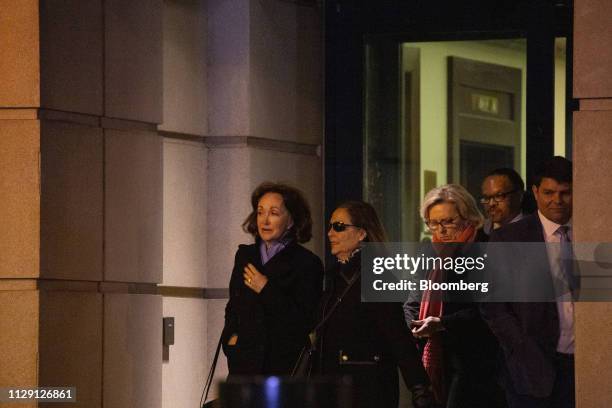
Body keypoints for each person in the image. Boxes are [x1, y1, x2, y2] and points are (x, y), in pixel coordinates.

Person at [314, 200, 432, 408]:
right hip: (335, 388)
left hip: (366, 389)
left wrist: (419, 387)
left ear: (361, 234)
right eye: (331, 226)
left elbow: (398, 337)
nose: (330, 233)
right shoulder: (335, 278)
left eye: (339, 227)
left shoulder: (376, 276)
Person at [482, 157, 576, 408]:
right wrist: (521, 346)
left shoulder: (595, 232)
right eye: (548, 192)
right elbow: (493, 305)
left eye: (565, 193)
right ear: (535, 192)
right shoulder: (509, 239)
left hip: (587, 362)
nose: (557, 200)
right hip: (530, 367)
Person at [407, 184, 505, 407]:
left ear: (468, 217)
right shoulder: (429, 252)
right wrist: (414, 324)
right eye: (433, 223)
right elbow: (413, 299)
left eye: (448, 221)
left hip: (476, 362)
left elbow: (488, 309)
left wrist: (442, 323)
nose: (441, 230)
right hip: (436, 355)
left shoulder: (486, 248)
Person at [221, 182, 324, 376]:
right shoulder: (245, 256)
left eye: (274, 213)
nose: (265, 220)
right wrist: (232, 340)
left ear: (291, 220)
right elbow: (233, 307)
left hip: (282, 367)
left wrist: (266, 288)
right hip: (243, 367)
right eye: (260, 212)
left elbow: (304, 321)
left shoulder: (307, 263)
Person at [480, 168, 526, 235]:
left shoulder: (533, 232)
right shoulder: (479, 230)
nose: (491, 203)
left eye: (499, 196)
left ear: (519, 196)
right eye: (486, 198)